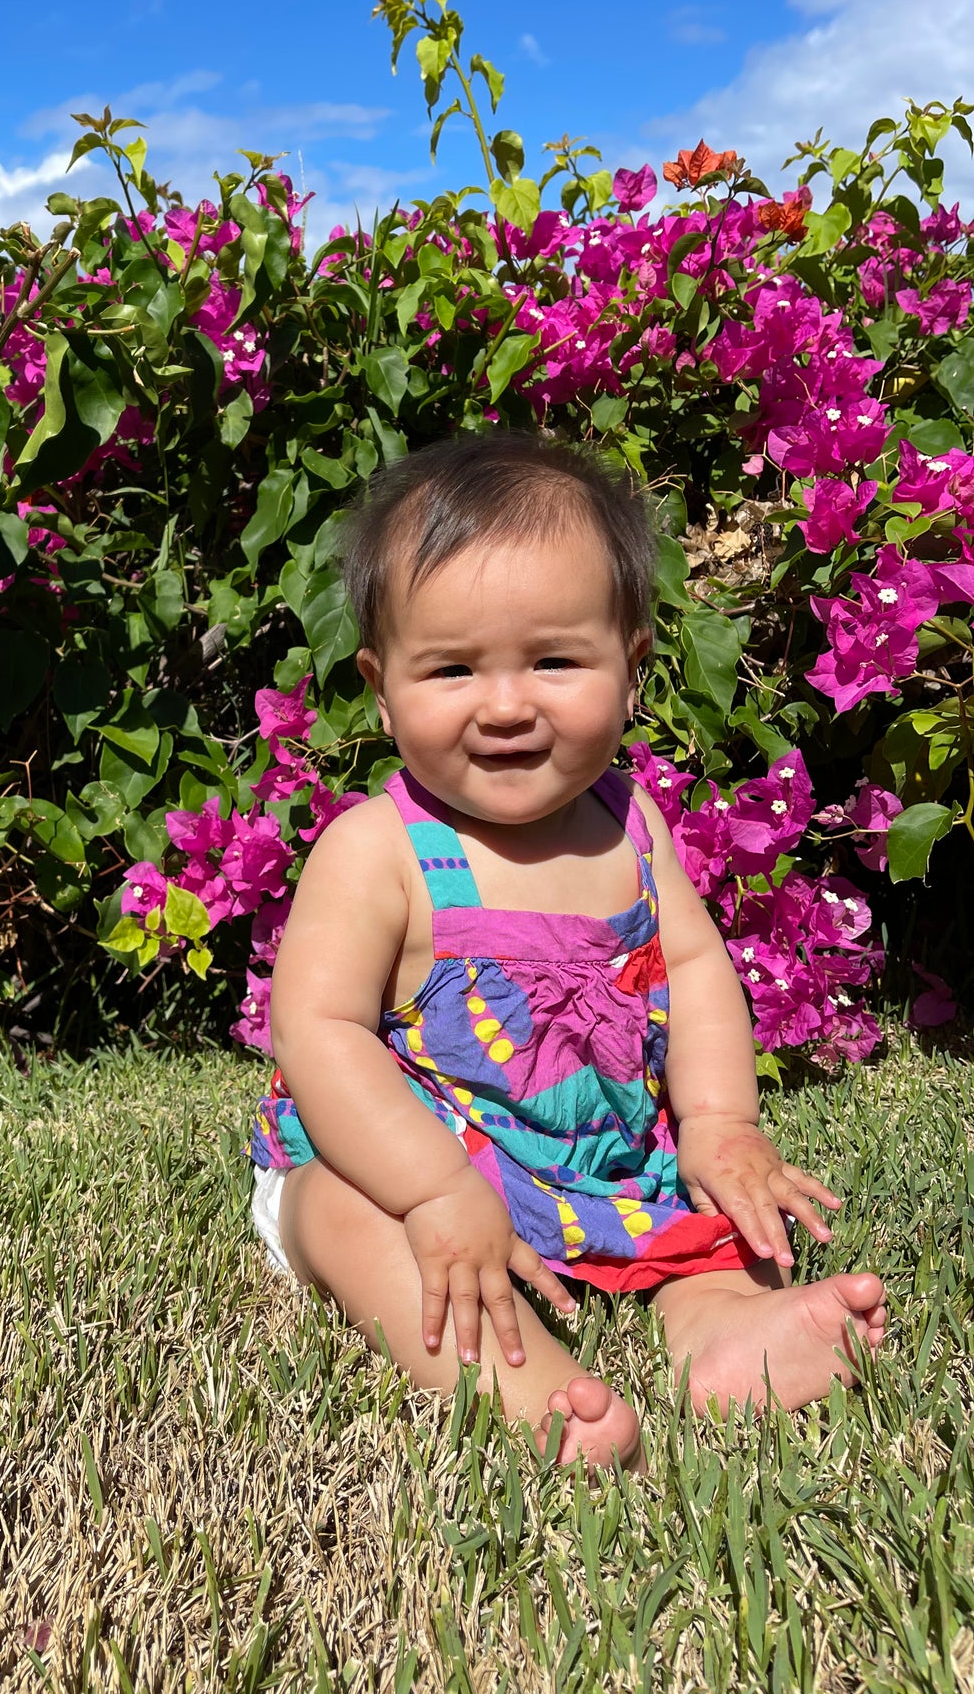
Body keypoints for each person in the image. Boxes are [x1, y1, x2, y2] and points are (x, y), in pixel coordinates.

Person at [248, 433, 886, 1469]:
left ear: (629, 666)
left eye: (551, 660)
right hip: (398, 1161)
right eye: (451, 668)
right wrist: (433, 1188)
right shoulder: (378, 852)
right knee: (345, 1217)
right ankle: (512, 1377)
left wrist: (718, 1123)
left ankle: (724, 1332)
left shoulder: (630, 825)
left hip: (596, 1163)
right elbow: (317, 1033)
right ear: (378, 685)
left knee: (698, 1221)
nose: (504, 706)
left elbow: (689, 968)